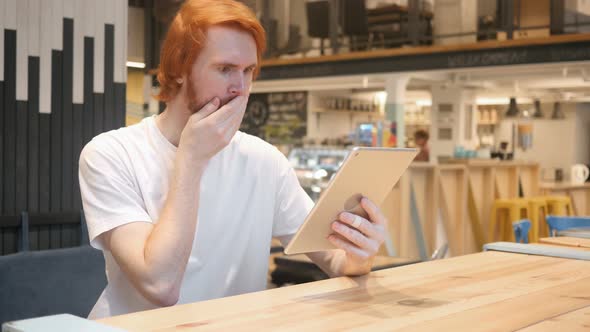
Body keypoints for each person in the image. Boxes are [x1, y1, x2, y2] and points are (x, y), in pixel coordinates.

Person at [79, 0, 388, 319]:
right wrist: (191, 160)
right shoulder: (110, 154)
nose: (241, 88)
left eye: (248, 71)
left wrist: (359, 255)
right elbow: (160, 286)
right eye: (225, 69)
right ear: (180, 69)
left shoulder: (265, 160)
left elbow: (335, 261)